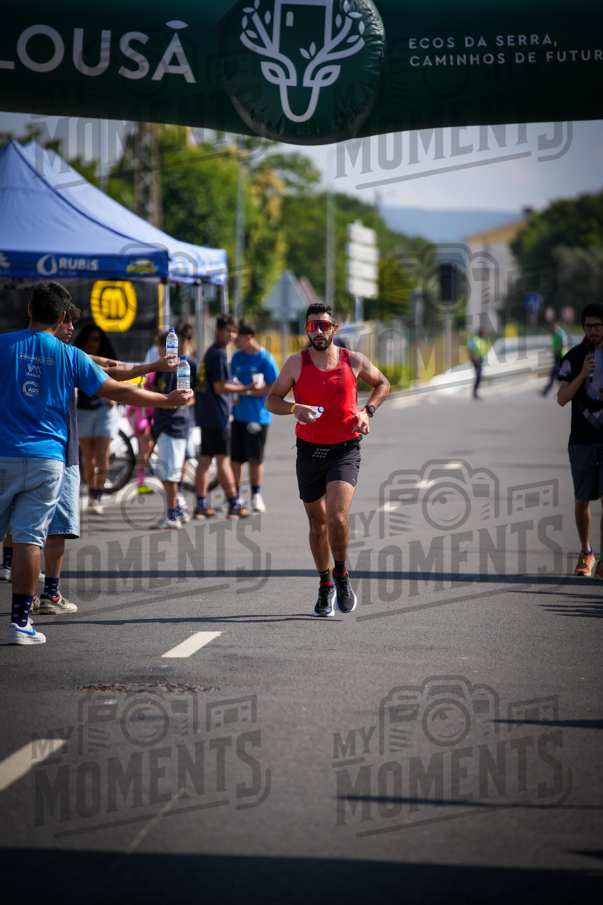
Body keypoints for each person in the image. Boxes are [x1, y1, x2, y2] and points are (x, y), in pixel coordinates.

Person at [0, 281, 192, 645]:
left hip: (3, 453)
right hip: (48, 460)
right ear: (60, 318)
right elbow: (117, 388)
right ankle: (20, 623)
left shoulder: (2, 345)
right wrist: (167, 400)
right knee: (29, 540)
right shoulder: (69, 356)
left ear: (29, 309)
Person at [266, 302, 390, 617]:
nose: (318, 331)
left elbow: (383, 383)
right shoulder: (296, 363)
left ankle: (342, 574)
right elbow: (271, 399)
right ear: (306, 330)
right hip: (308, 453)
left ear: (334, 328)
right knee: (318, 525)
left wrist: (368, 411)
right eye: (312, 326)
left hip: (344, 451)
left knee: (336, 519)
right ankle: (325, 584)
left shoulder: (354, 361)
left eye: (324, 325)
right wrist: (295, 408)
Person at [557, 302, 603, 579]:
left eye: (598, 325)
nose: (593, 331)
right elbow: (562, 398)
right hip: (582, 439)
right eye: (588, 326)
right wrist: (583, 374)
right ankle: (586, 553)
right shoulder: (573, 357)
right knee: (582, 500)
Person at [194, 314, 254, 520]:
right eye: (228, 330)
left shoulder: (212, 352)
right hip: (217, 417)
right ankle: (233, 503)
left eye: (234, 331)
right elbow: (219, 387)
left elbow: (216, 385)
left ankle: (201, 504)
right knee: (224, 461)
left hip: (206, 415)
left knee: (204, 460)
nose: (232, 335)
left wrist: (232, 393)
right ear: (218, 330)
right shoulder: (218, 353)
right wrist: (245, 388)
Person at [230, 318, 279, 513]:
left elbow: (274, 387)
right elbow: (232, 381)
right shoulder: (236, 357)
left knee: (255, 458)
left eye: (238, 338)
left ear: (249, 337)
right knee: (235, 459)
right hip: (237, 415)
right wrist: (234, 393)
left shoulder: (266, 359)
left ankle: (256, 495)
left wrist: (247, 392)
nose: (234, 341)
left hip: (257, 417)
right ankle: (235, 496)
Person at [150, 330, 197, 529]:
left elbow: (174, 401)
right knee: (168, 473)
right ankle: (178, 510)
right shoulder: (163, 369)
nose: (160, 350)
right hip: (167, 426)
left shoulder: (175, 368)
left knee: (169, 475)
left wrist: (145, 397)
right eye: (159, 347)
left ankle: (172, 515)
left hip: (172, 426)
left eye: (163, 346)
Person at [74, 324, 119, 514]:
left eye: (96, 339)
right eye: (90, 339)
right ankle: (92, 493)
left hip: (104, 410)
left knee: (102, 455)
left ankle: (98, 495)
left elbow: (119, 375)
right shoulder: (78, 356)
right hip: (83, 410)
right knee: (88, 456)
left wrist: (114, 397)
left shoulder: (107, 357)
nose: (93, 343)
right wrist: (84, 353)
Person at [542, 320, 568, 396]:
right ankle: (564, 390)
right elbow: (554, 344)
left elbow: (563, 344)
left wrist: (557, 350)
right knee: (558, 375)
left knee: (554, 373)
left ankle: (547, 390)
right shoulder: (553, 334)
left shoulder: (560, 333)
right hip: (556, 355)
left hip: (561, 355)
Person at [467, 327, 489, 399]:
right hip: (476, 360)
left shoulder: (483, 340)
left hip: (480, 360)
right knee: (478, 375)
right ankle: (474, 392)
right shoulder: (475, 340)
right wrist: (474, 357)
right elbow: (470, 349)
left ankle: (475, 391)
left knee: (479, 376)